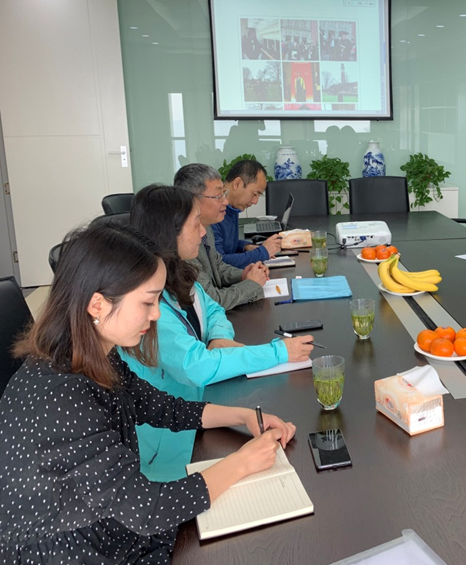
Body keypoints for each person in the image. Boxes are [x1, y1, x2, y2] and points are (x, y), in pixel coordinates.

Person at [0, 223, 296, 562]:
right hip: (70, 550)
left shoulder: (91, 355)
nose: (156, 314)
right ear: (97, 305)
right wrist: (242, 463)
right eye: (148, 301)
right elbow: (148, 509)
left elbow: (160, 407)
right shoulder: (62, 399)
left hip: (105, 523)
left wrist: (243, 416)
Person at [127, 185, 315, 480]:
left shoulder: (180, 272)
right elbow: (197, 366)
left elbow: (213, 309)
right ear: (168, 234)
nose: (203, 233)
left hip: (197, 412)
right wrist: (278, 352)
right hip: (168, 450)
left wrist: (217, 338)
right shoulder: (148, 304)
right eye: (195, 225)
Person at [174, 163, 267, 310]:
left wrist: (244, 274)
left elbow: (217, 265)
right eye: (218, 196)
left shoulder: (206, 226)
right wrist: (252, 284)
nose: (225, 201)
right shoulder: (183, 244)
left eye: (224, 194)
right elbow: (212, 301)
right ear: (193, 199)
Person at [212, 159, 282, 269]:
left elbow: (228, 245)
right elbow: (220, 262)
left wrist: (246, 246)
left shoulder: (233, 208)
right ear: (237, 184)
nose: (255, 201)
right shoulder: (212, 214)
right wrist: (262, 252)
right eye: (255, 194)